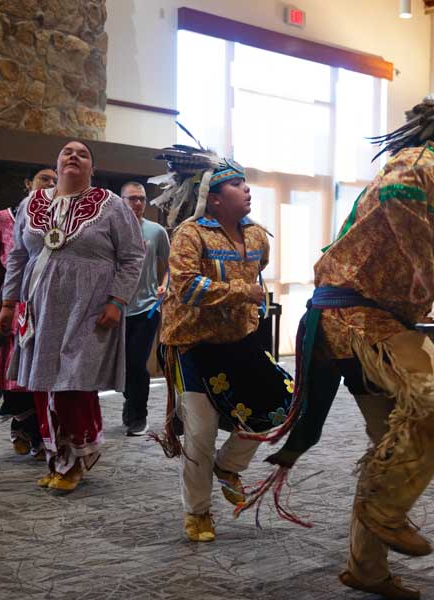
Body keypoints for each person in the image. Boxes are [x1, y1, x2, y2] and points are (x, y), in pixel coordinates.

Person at [245, 64, 434, 600]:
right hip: (356, 317)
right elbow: (397, 189)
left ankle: (365, 567)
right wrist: (417, 270)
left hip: (378, 318)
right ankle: (385, 510)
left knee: (393, 437)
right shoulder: (422, 164)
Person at [149, 145, 293, 543]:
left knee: (280, 405)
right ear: (212, 196)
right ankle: (197, 512)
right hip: (193, 345)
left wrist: (243, 297)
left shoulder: (258, 236)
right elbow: (186, 285)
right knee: (201, 431)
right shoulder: (189, 234)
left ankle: (228, 466)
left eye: (245, 182)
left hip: (241, 342)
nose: (247, 190)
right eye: (236, 184)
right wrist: (238, 292)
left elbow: (257, 273)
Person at [0, 140, 145, 492]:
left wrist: (117, 300)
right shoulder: (31, 204)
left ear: (92, 169)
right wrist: (7, 303)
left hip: (89, 307)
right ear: (57, 163)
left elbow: (133, 256)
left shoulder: (110, 206)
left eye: (83, 154)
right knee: (42, 383)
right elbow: (18, 257)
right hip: (38, 308)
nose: (74, 156)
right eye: (67, 152)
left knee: (73, 384)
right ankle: (56, 457)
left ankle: (76, 457)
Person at [0, 166, 57, 457]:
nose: (50, 183)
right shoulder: (3, 217)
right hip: (13, 300)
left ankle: (43, 434)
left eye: (55, 181)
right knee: (13, 370)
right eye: (44, 179)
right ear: (27, 183)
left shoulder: (59, 218)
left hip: (46, 301)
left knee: (41, 369)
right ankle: (22, 427)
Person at [120, 181, 170, 436]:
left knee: (137, 363)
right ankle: (131, 405)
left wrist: (164, 286)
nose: (137, 203)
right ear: (121, 202)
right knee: (122, 365)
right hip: (116, 309)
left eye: (141, 198)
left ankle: (138, 416)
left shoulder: (156, 231)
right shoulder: (111, 230)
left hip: (147, 308)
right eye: (132, 199)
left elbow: (172, 267)